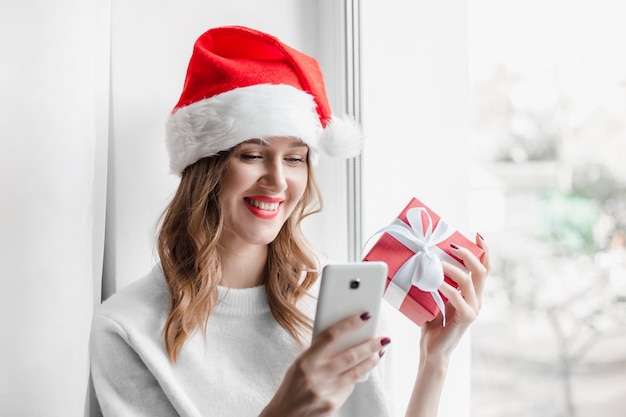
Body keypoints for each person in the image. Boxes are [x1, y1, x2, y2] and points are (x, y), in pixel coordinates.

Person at [89, 25, 491, 417]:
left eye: (295, 158)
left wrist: (435, 360)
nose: (278, 180)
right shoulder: (127, 329)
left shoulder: (338, 308)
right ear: (204, 169)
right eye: (251, 155)